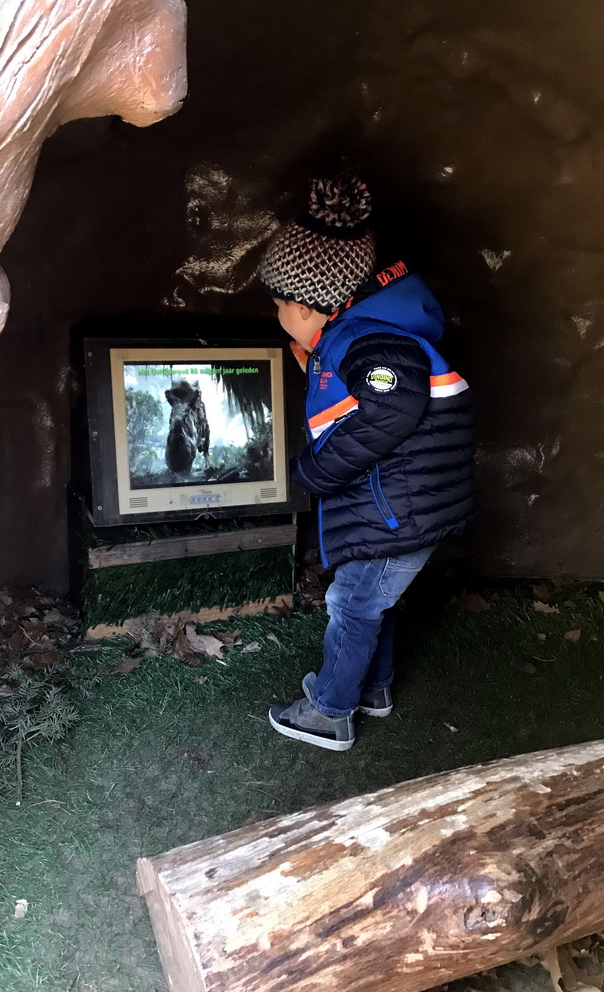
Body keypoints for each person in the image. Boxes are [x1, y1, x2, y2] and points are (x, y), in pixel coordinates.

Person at [258, 171, 478, 752]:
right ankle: (373, 689)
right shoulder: (361, 337)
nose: (277, 313)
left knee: (351, 601)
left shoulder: (371, 343)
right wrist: (319, 368)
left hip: (399, 511)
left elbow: (391, 406)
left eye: (281, 303)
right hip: (403, 505)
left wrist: (314, 472)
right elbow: (375, 393)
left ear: (312, 308)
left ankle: (330, 710)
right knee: (371, 598)